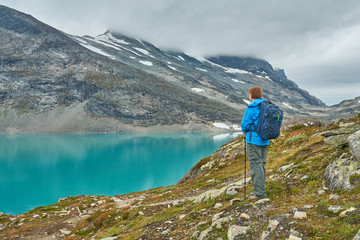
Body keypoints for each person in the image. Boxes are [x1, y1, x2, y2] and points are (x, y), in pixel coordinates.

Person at [241, 86, 269, 200]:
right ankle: (260, 190)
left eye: (249, 94)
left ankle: (260, 194)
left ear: (251, 95)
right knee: (261, 165)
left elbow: (245, 124)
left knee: (256, 166)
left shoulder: (252, 106)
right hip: (265, 140)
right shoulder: (266, 106)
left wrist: (244, 131)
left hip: (253, 141)